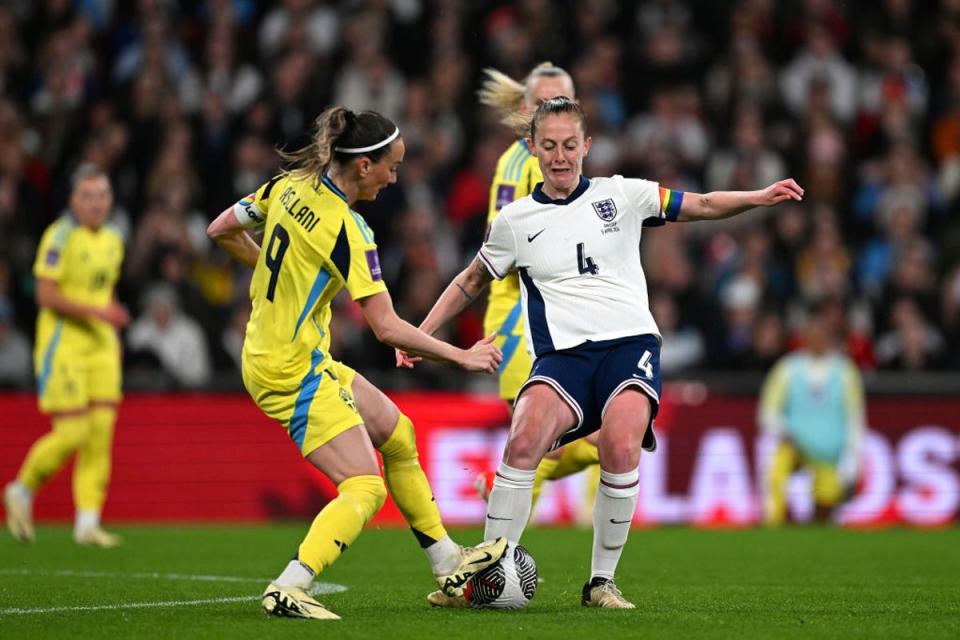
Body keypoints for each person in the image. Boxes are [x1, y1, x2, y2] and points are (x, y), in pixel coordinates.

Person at [402, 97, 803, 609]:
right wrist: (422, 336)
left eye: (570, 145)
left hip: (629, 344)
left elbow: (699, 204)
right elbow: (471, 281)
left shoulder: (625, 195)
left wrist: (760, 197)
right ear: (532, 148)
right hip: (562, 356)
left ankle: (600, 583)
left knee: (619, 444)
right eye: (549, 146)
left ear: (586, 146)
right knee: (523, 440)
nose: (561, 156)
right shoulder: (514, 221)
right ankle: (484, 576)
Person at [206, 107, 507, 621]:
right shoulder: (349, 230)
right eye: (391, 166)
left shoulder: (289, 185)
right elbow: (386, 327)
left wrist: (280, 277)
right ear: (363, 166)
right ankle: (290, 585)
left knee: (399, 433)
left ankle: (448, 565)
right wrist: (463, 355)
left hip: (283, 353)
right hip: (289, 370)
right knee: (365, 486)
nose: (395, 177)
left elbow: (220, 229)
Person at [470, 63, 602, 516]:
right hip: (520, 321)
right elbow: (501, 245)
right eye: (542, 103)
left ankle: (500, 546)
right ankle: (498, 552)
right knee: (569, 443)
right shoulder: (520, 164)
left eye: (560, 101)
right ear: (525, 109)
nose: (552, 110)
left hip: (548, 318)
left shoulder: (552, 159)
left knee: (569, 444)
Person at [4, 165, 129, 548]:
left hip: (102, 346)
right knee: (73, 432)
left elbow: (101, 292)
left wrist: (112, 315)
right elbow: (45, 295)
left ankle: (87, 523)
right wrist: (99, 313)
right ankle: (21, 490)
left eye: (103, 195)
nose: (97, 203)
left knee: (100, 435)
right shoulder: (59, 236)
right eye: (88, 196)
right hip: (66, 345)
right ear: (73, 200)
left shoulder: (113, 240)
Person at [759, 301, 865, 525]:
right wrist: (785, 430)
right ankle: (773, 525)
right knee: (776, 475)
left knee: (827, 498)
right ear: (804, 337)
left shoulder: (846, 372)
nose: (817, 339)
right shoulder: (787, 369)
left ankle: (819, 530)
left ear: (830, 338)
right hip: (796, 444)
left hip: (829, 451)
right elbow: (767, 412)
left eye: (822, 334)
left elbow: (855, 418)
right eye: (812, 334)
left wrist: (853, 460)